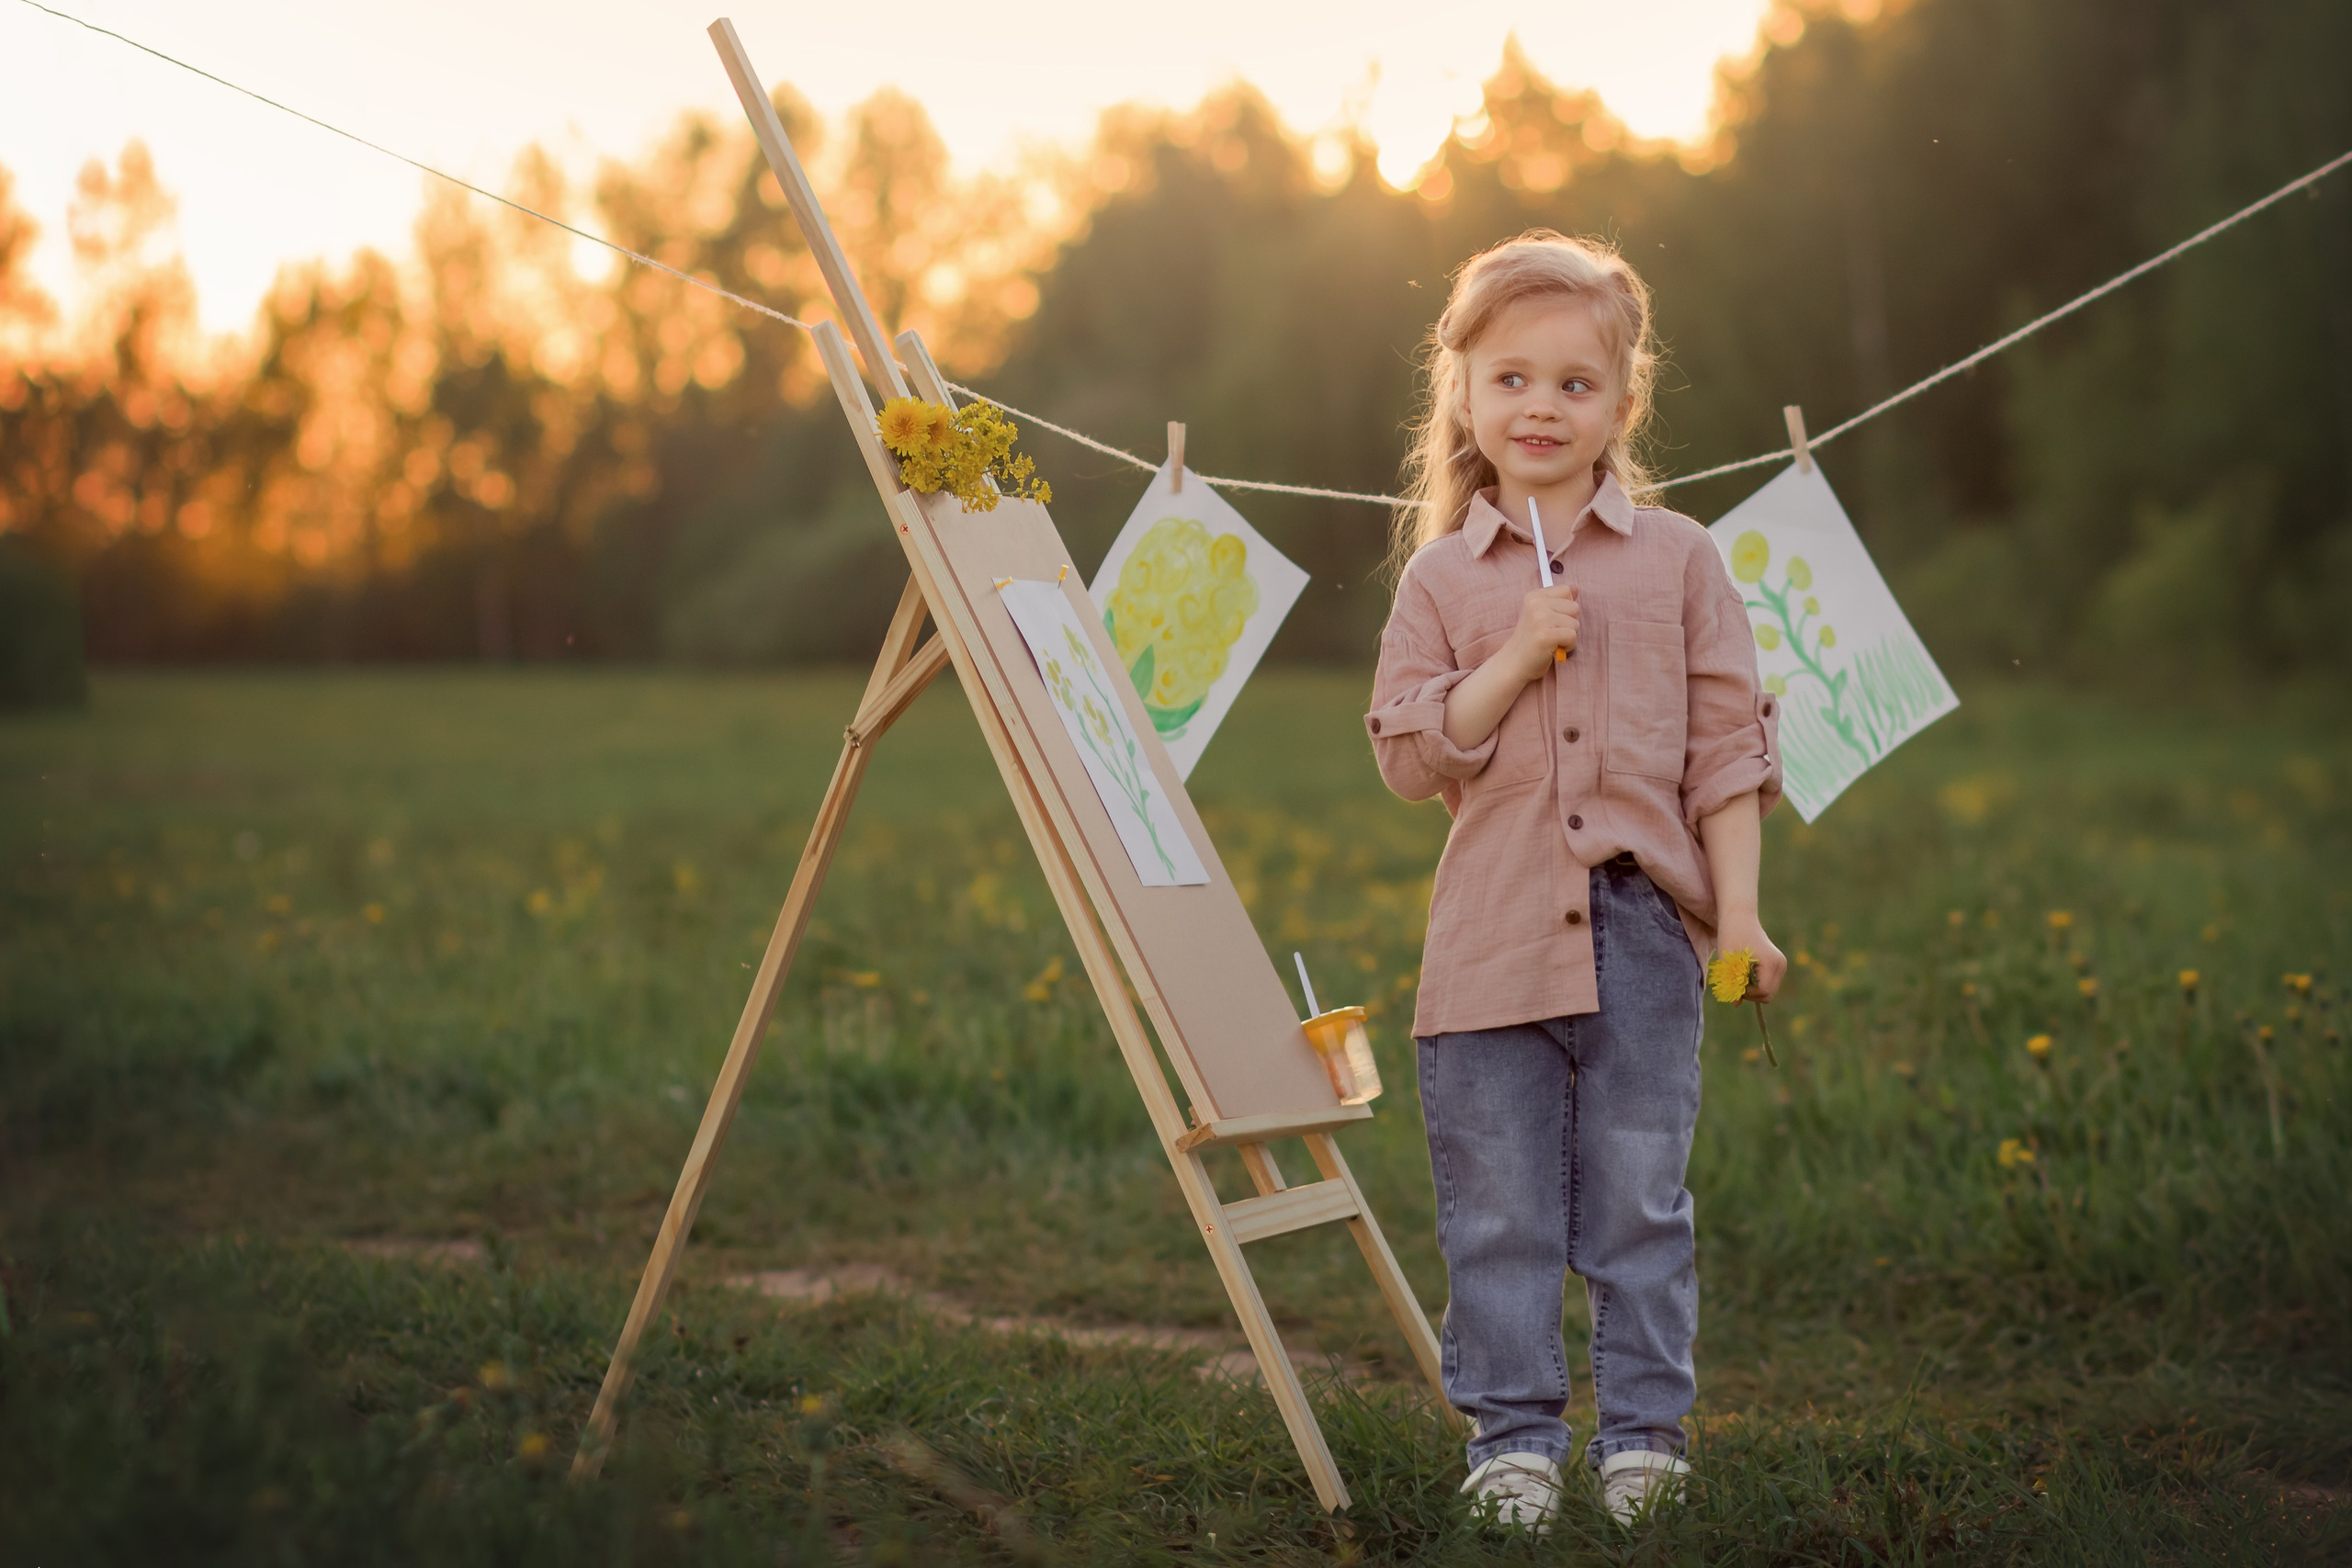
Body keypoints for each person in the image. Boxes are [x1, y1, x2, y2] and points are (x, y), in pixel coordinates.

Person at [1364, 231, 1788, 1533]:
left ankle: (1645, 1438)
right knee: (1496, 1214)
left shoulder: (1678, 561)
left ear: (1622, 402)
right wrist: (1511, 660)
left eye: (1573, 385)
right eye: (1511, 381)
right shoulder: (1443, 579)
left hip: (1644, 938)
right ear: (1466, 397)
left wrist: (1746, 913)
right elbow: (1404, 752)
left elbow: (1728, 752)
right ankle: (1514, 1443)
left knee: (1638, 1204)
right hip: (1491, 937)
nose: (1540, 407)